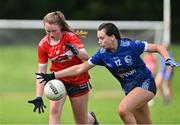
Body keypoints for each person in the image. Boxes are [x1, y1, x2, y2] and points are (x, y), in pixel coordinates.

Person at [36, 22, 179, 124]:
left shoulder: (130, 45)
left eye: (102, 38)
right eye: (98, 38)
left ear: (112, 37)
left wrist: (167, 59)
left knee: (123, 110)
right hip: (130, 90)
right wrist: (53, 75)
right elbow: (80, 68)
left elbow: (158, 47)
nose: (99, 41)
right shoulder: (102, 55)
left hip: (145, 84)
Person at [28, 11, 98, 125]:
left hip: (78, 80)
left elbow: (86, 57)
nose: (51, 34)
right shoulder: (43, 45)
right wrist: (38, 96)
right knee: (54, 113)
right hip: (58, 80)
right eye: (48, 31)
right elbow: (41, 73)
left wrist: (76, 52)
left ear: (61, 27)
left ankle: (91, 119)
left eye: (54, 31)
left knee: (81, 121)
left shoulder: (70, 37)